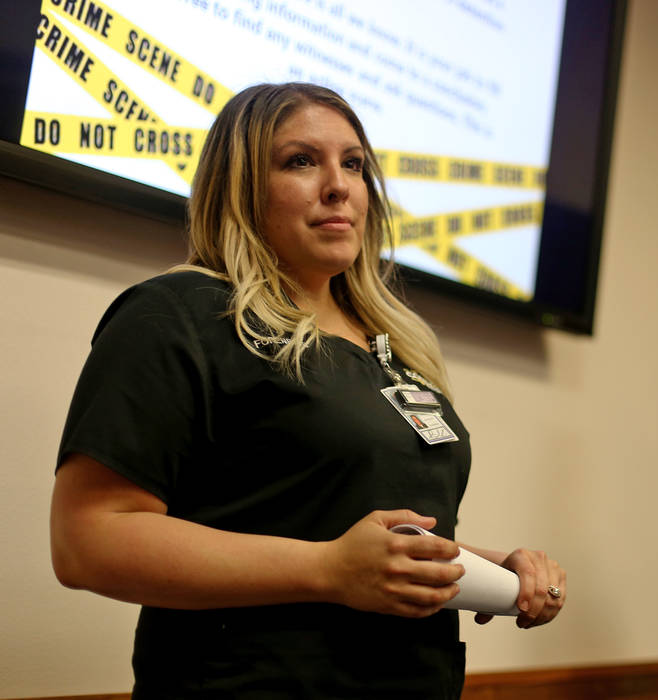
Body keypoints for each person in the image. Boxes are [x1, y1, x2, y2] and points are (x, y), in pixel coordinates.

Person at [50, 82, 566, 699]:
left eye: (353, 164)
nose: (339, 185)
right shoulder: (178, 313)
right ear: (240, 186)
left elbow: (349, 526)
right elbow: (88, 539)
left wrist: (490, 569)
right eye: (300, 161)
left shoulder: (394, 346)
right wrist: (326, 571)